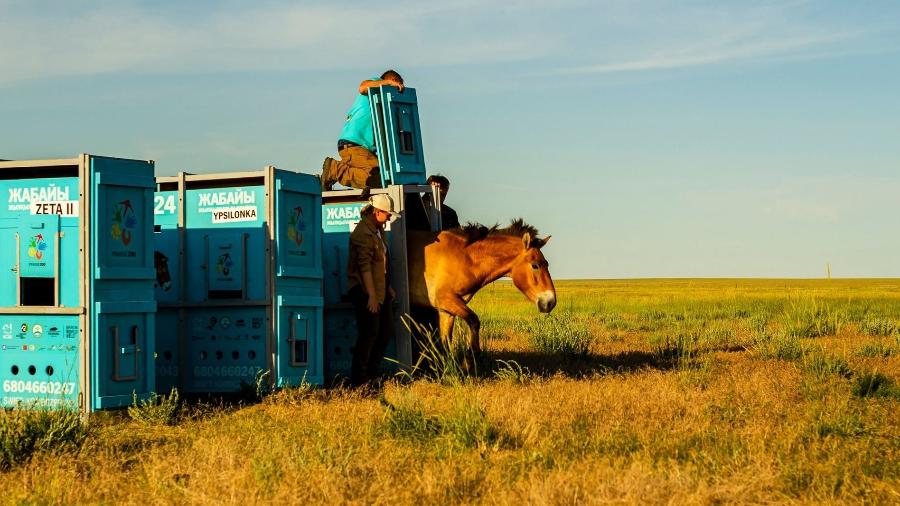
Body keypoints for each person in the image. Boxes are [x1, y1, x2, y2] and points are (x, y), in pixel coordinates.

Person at [321, 70, 405, 191]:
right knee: (381, 179)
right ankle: (335, 169)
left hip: (358, 147)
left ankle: (341, 171)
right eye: (399, 86)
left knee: (381, 177)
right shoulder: (377, 84)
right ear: (394, 81)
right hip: (355, 145)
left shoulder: (381, 103)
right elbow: (363, 87)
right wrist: (388, 83)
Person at [347, 193, 398, 386]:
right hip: (364, 290)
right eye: (388, 214)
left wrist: (387, 287)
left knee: (385, 331)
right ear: (377, 212)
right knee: (369, 334)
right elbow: (364, 267)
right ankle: (360, 381)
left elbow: (379, 265)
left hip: (378, 289)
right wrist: (372, 296)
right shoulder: (362, 234)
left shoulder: (377, 230)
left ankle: (371, 375)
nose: (389, 218)